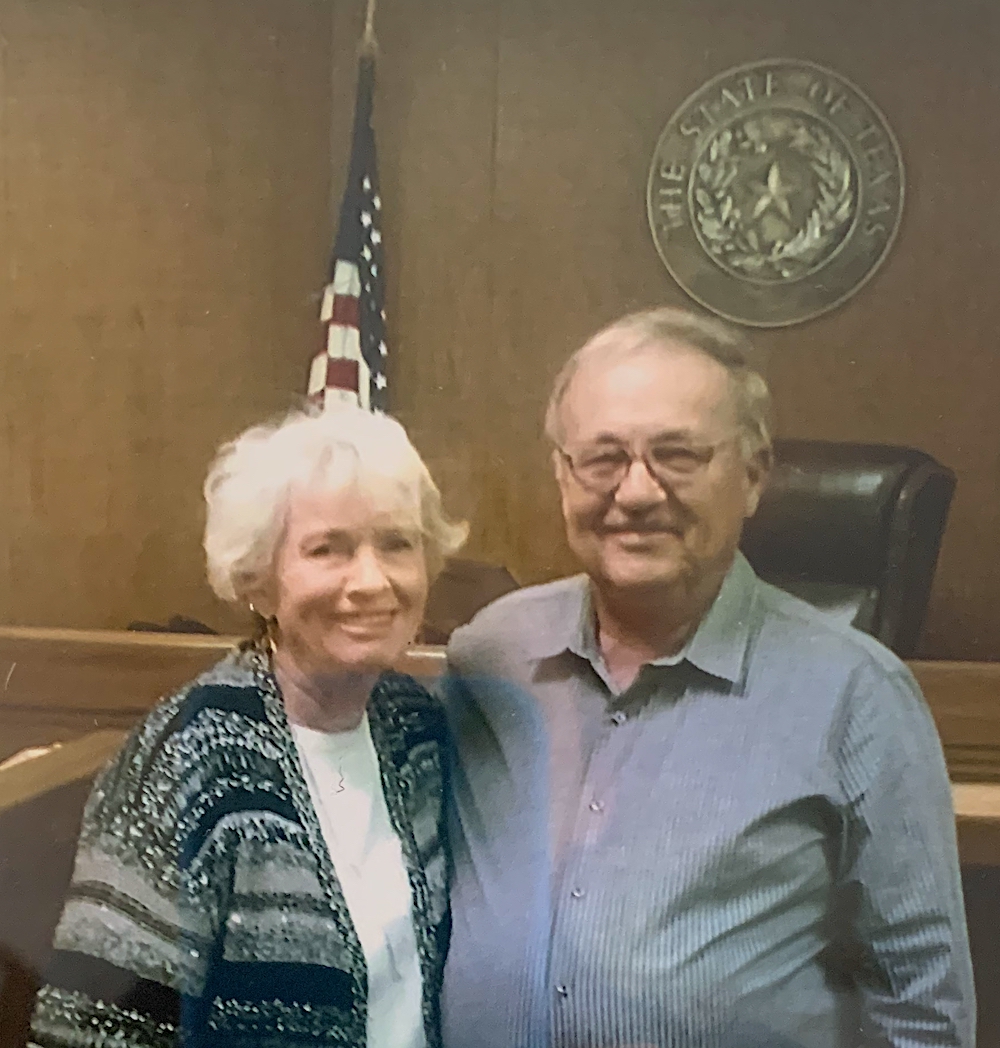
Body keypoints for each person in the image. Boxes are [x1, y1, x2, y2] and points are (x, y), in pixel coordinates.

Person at [441, 308, 975, 1048]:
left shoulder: (858, 697)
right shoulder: (490, 656)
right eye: (601, 458)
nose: (634, 492)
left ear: (753, 475)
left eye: (678, 455)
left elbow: (921, 1008)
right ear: (561, 475)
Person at [30, 405, 466, 1048]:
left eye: (397, 543)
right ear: (258, 581)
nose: (372, 581)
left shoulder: (415, 730)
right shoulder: (190, 757)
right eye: (328, 549)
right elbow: (88, 1029)